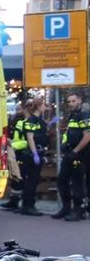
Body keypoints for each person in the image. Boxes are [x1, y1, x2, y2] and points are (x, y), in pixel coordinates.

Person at [52, 92, 90, 221]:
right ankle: (66, 208)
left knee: (77, 183)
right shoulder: (72, 116)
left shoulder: (84, 115)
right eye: (69, 102)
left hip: (80, 154)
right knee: (62, 181)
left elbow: (88, 136)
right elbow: (68, 134)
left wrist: (76, 151)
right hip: (69, 153)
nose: (71, 104)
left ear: (79, 100)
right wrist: (64, 145)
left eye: (73, 101)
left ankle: (78, 210)